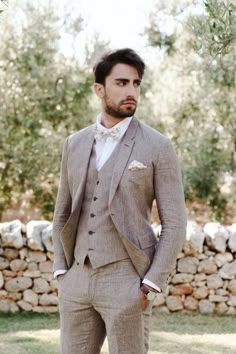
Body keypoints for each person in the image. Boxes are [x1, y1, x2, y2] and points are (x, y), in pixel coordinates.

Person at [52, 48, 187, 354]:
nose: (131, 92)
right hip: (76, 280)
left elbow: (176, 223)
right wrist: (62, 270)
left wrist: (151, 283)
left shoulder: (158, 146)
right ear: (99, 89)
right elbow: (61, 213)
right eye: (122, 83)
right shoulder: (74, 144)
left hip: (127, 280)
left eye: (136, 84)